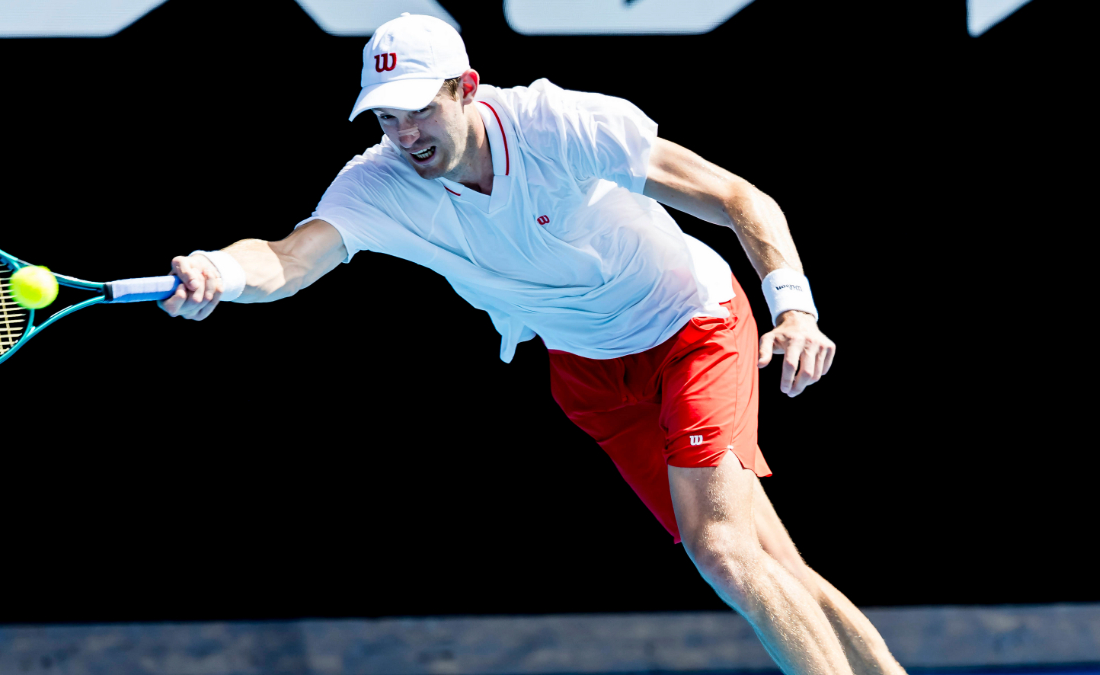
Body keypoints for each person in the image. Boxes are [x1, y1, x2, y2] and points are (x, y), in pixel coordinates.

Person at [159, 14, 905, 675]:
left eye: (420, 108)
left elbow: (740, 199)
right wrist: (219, 271)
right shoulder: (377, 185)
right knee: (767, 560)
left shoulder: (559, 124)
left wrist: (796, 308)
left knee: (725, 554)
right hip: (590, 376)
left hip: (690, 325)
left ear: (467, 88)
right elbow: (288, 260)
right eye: (387, 116)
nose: (405, 133)